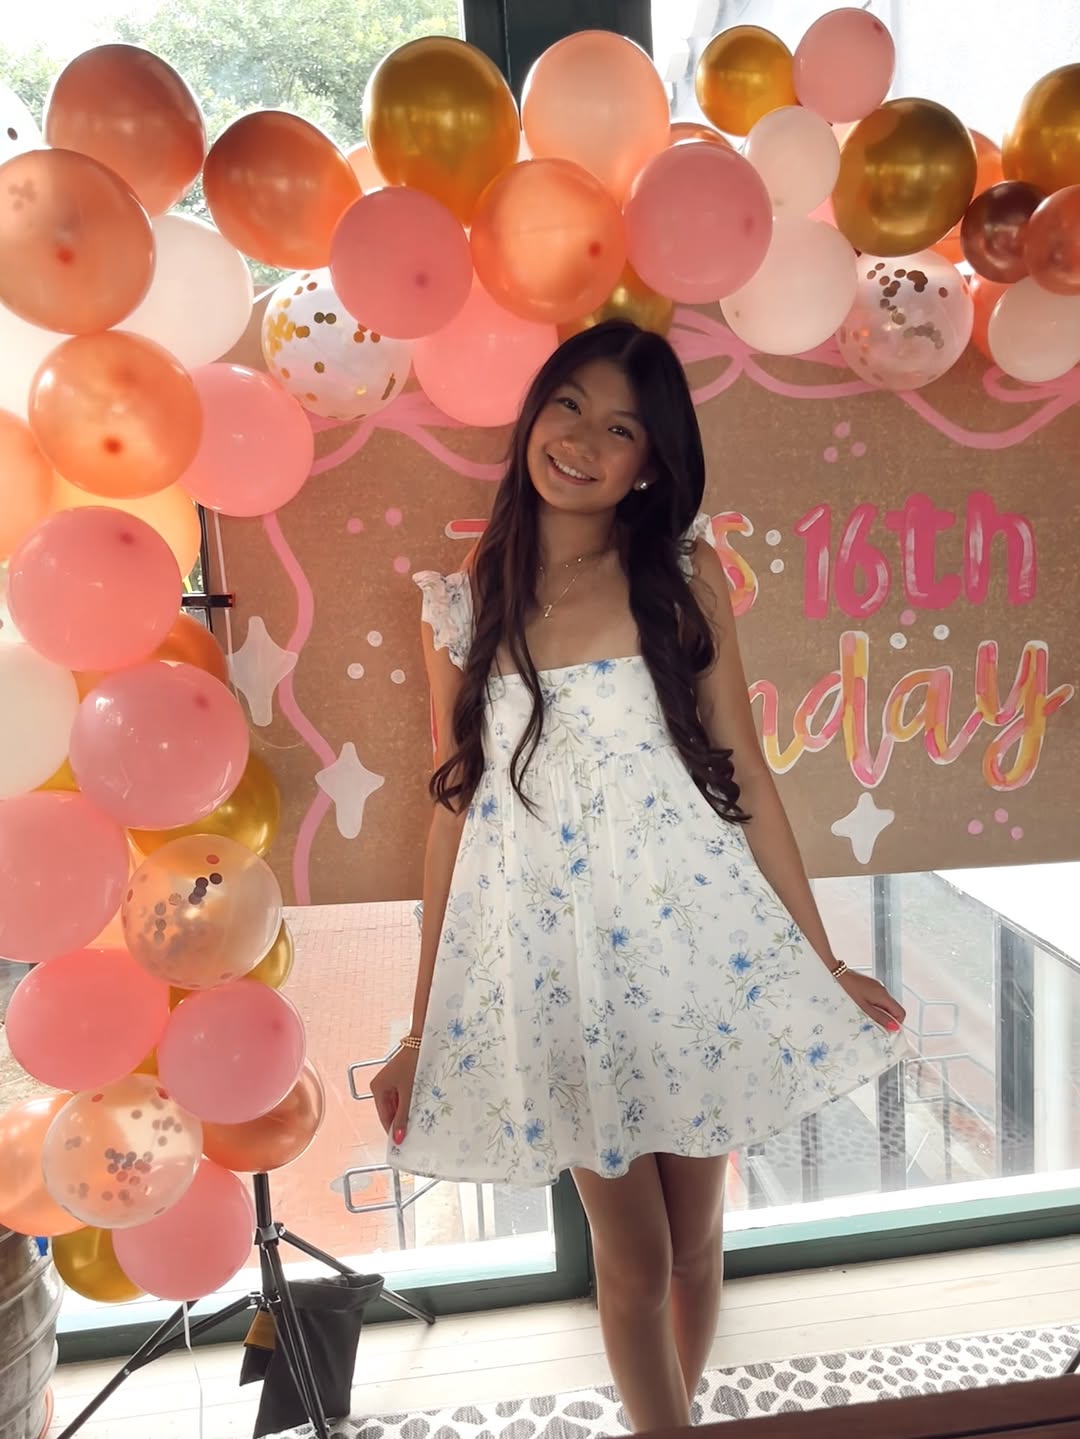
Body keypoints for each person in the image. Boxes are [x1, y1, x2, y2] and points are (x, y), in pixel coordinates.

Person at [371, 319, 908, 1431]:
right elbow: (452, 815)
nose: (581, 441)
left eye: (620, 429)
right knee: (637, 1256)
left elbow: (744, 772)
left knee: (698, 1243)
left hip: (693, 954)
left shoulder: (682, 577)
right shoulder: (462, 602)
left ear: (651, 463)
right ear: (534, 412)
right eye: (568, 405)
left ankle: (679, 1413)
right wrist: (422, 1032)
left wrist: (820, 965)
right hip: (557, 976)